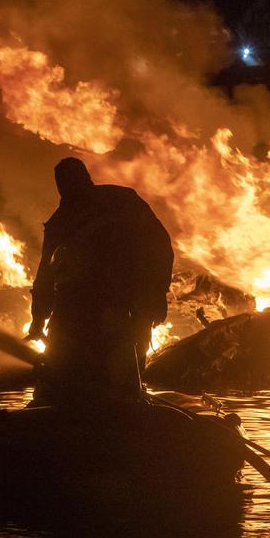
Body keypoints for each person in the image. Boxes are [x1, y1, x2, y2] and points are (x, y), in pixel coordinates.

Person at [25, 157, 173, 403]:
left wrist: (155, 294)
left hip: (120, 304)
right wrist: (39, 319)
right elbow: (46, 274)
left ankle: (123, 401)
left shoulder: (121, 203)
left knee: (121, 371)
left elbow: (158, 246)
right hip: (80, 306)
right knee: (66, 372)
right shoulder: (63, 221)